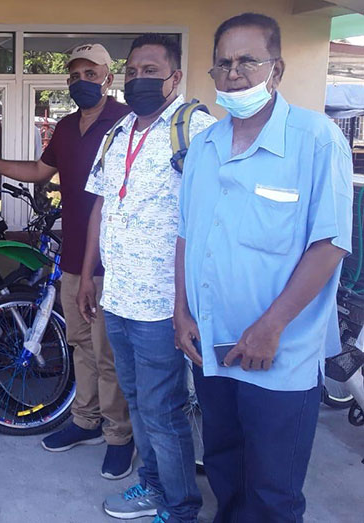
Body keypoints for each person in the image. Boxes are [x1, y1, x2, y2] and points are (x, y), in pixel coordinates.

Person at [175, 13, 352, 522]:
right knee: (226, 469)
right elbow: (188, 233)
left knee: (273, 491)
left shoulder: (315, 139)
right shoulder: (204, 146)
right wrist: (180, 312)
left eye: (248, 61)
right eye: (223, 64)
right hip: (212, 347)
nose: (234, 73)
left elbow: (330, 244)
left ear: (276, 68)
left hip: (280, 356)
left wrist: (270, 327)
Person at [0, 44, 135, 480]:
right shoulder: (64, 127)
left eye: (90, 73)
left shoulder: (127, 124)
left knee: (108, 352)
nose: (82, 81)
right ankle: (84, 422)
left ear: (108, 77)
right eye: (75, 74)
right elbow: (40, 172)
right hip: (74, 253)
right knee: (79, 343)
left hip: (113, 260)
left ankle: (120, 436)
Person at [78, 34, 216, 523]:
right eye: (134, 71)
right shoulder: (118, 133)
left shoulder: (197, 131)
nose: (140, 79)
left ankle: (180, 508)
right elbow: (101, 202)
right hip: (118, 296)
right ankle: (153, 485)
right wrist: (90, 273)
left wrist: (184, 307)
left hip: (162, 305)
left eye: (152, 71)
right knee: (138, 402)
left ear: (174, 78)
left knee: (164, 410)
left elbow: (207, 221)